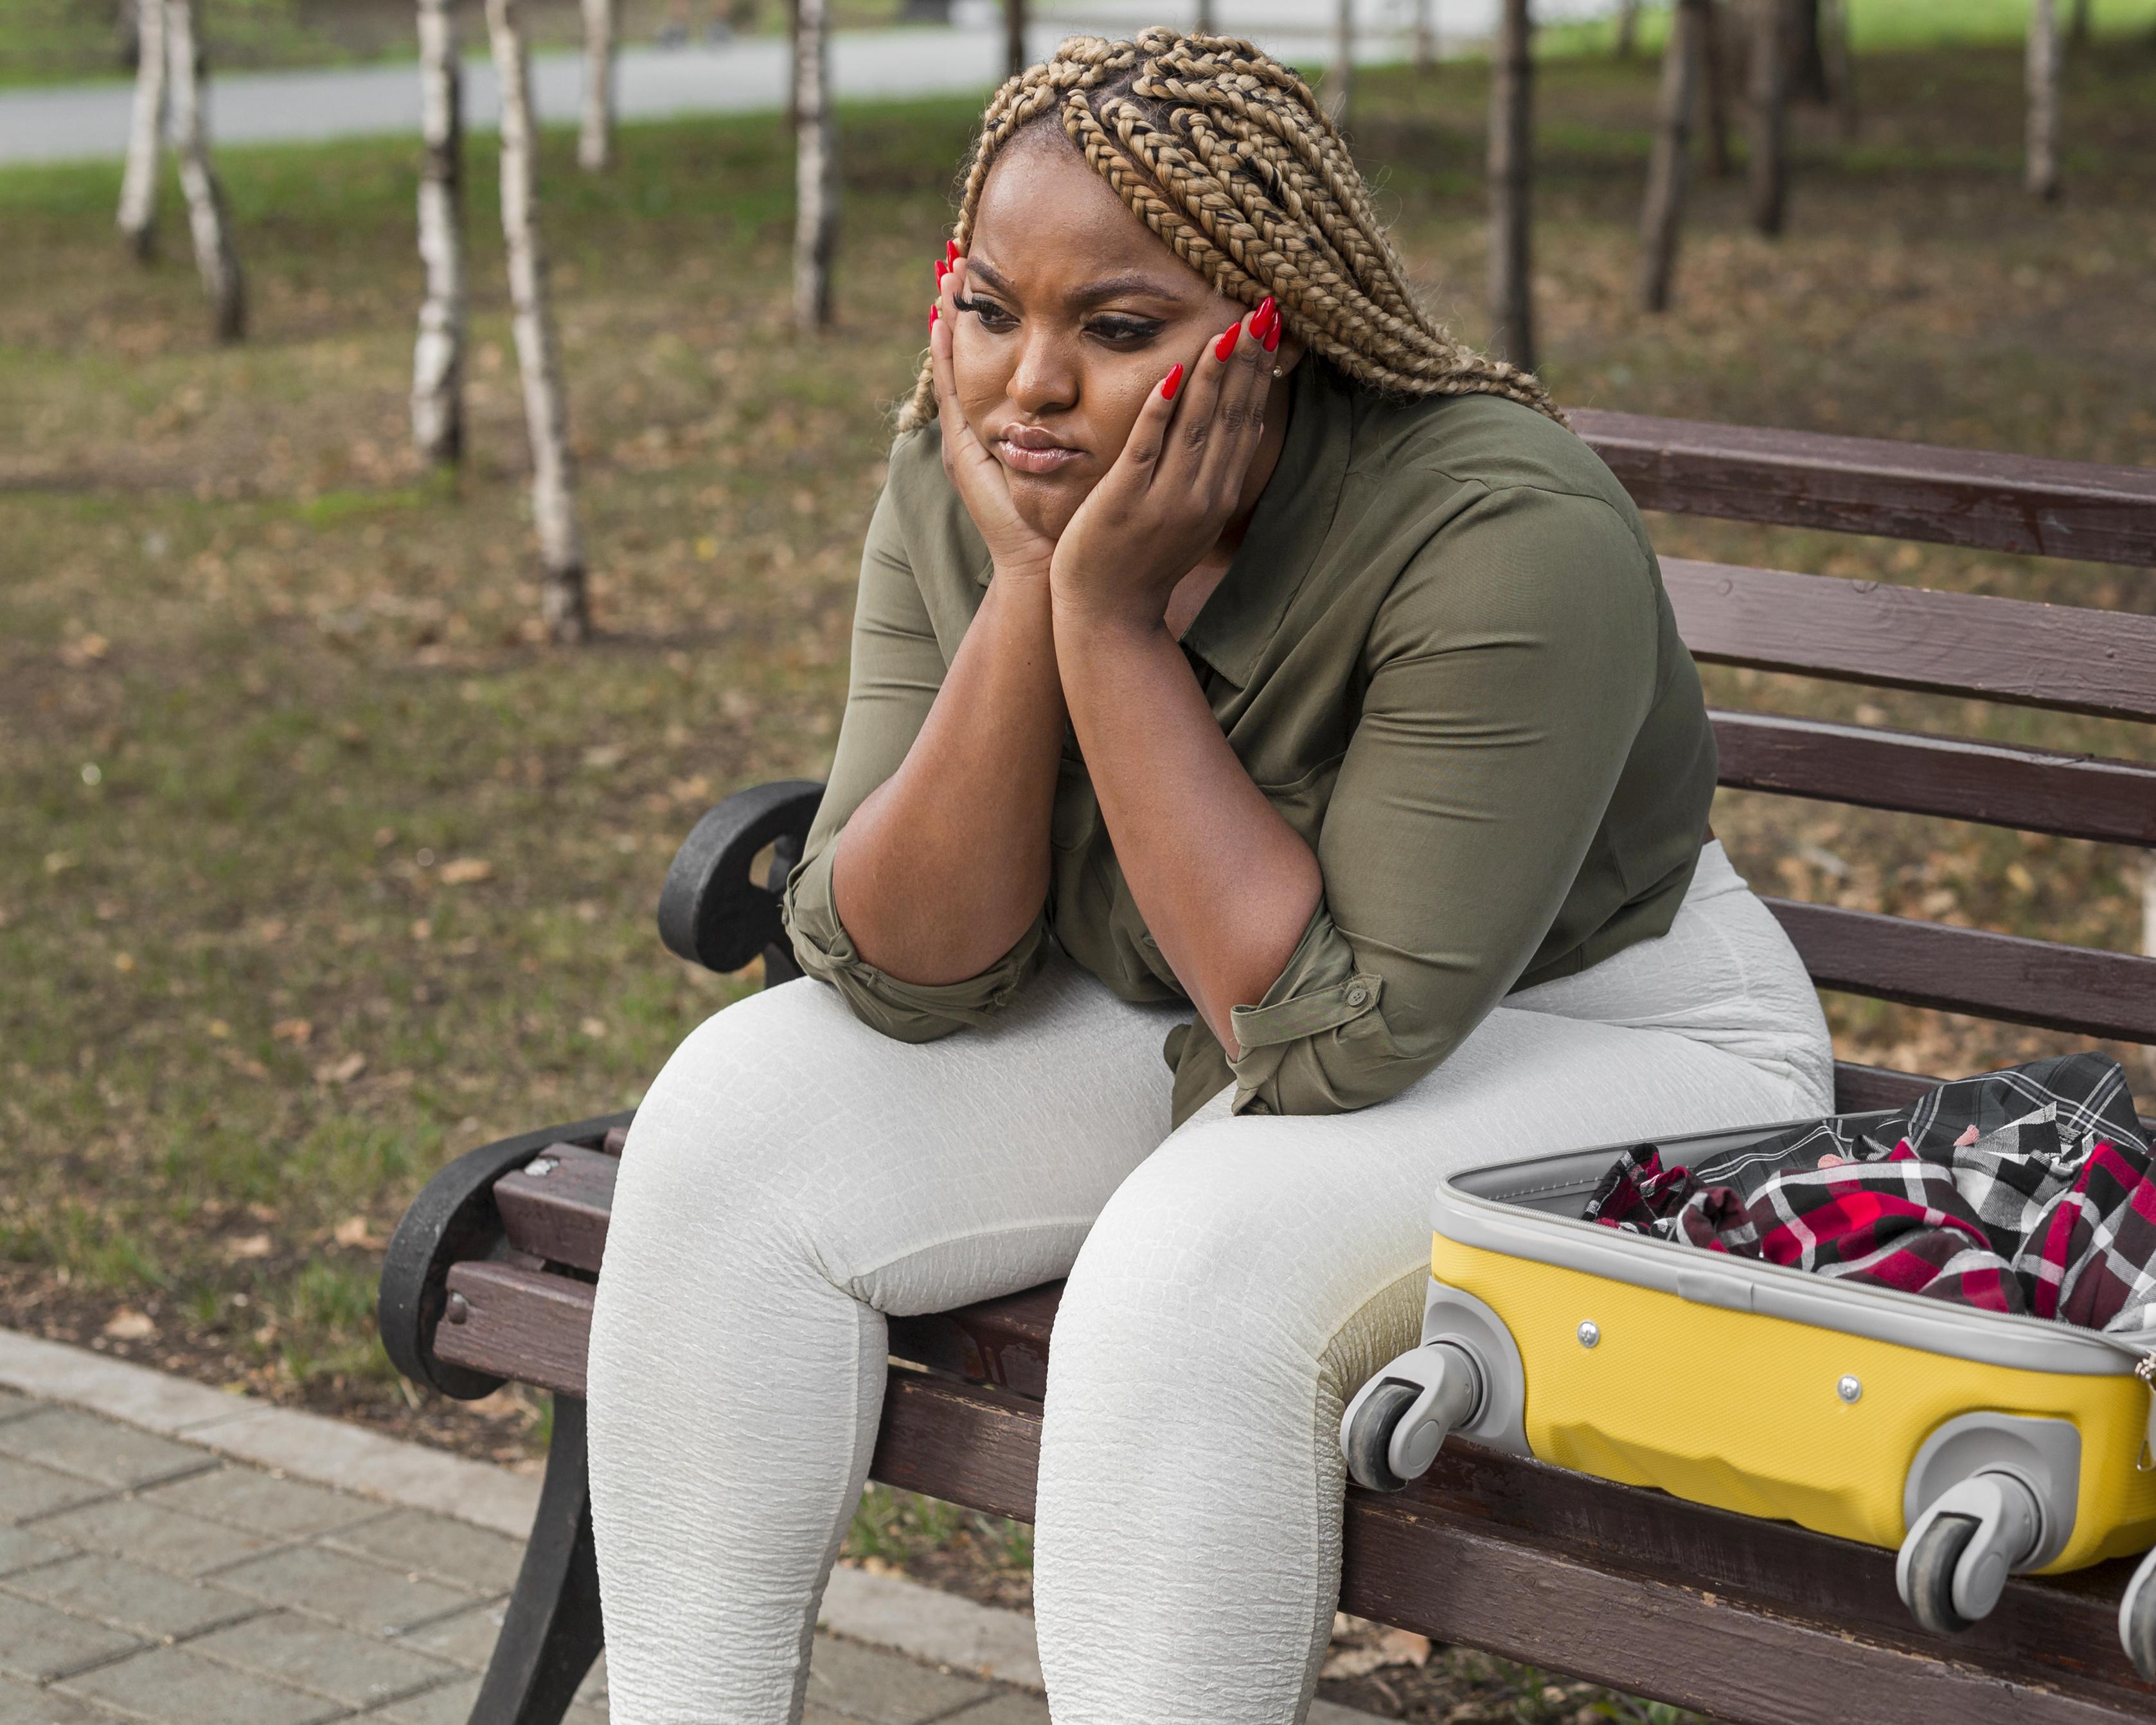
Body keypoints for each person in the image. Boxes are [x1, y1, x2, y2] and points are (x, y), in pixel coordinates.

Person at [588, 28, 1834, 1724]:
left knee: (1194, 1261)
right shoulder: (989, 467)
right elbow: (899, 968)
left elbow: (1331, 1044)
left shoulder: (1504, 530)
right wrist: (1037, 579)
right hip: (1201, 1001)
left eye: (1112, 328)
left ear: (1275, 333)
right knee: (732, 1120)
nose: (1026, 383)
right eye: (986, 307)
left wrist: (1105, 615)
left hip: (1609, 1034)